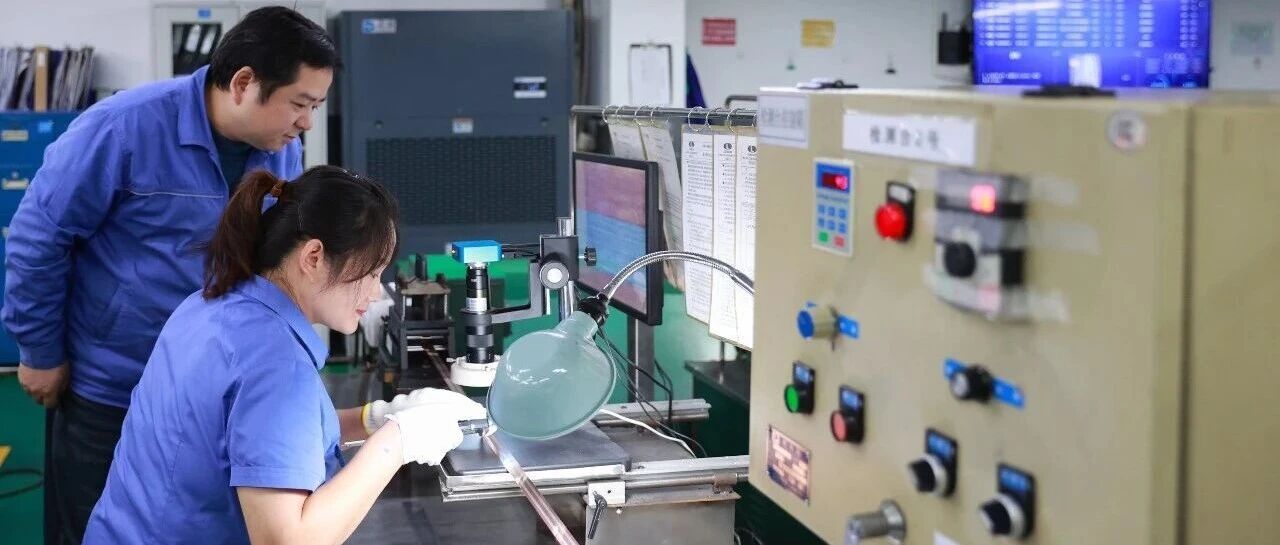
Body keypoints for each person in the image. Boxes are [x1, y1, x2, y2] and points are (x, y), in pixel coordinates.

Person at [1, 8, 334, 543]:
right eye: (300, 104)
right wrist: (40, 351)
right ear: (244, 83)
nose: (307, 124)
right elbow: (40, 237)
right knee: (93, 526)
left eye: (315, 107)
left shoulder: (281, 153)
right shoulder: (123, 128)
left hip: (203, 392)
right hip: (110, 387)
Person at [83, 167, 485, 544]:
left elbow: (253, 436)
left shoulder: (210, 306)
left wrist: (371, 419)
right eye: (371, 273)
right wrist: (398, 442)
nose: (376, 291)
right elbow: (287, 538)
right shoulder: (275, 364)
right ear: (313, 257)